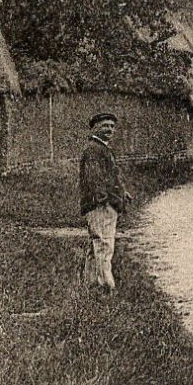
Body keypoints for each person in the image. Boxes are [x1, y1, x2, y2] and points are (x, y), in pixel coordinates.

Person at [79, 112, 130, 292]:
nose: (109, 129)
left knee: (96, 246)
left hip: (101, 203)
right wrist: (105, 200)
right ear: (95, 128)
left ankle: (92, 284)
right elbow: (94, 180)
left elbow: (109, 177)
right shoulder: (94, 150)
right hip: (100, 205)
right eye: (105, 125)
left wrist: (122, 193)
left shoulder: (100, 148)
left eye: (112, 126)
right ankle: (105, 287)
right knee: (103, 244)